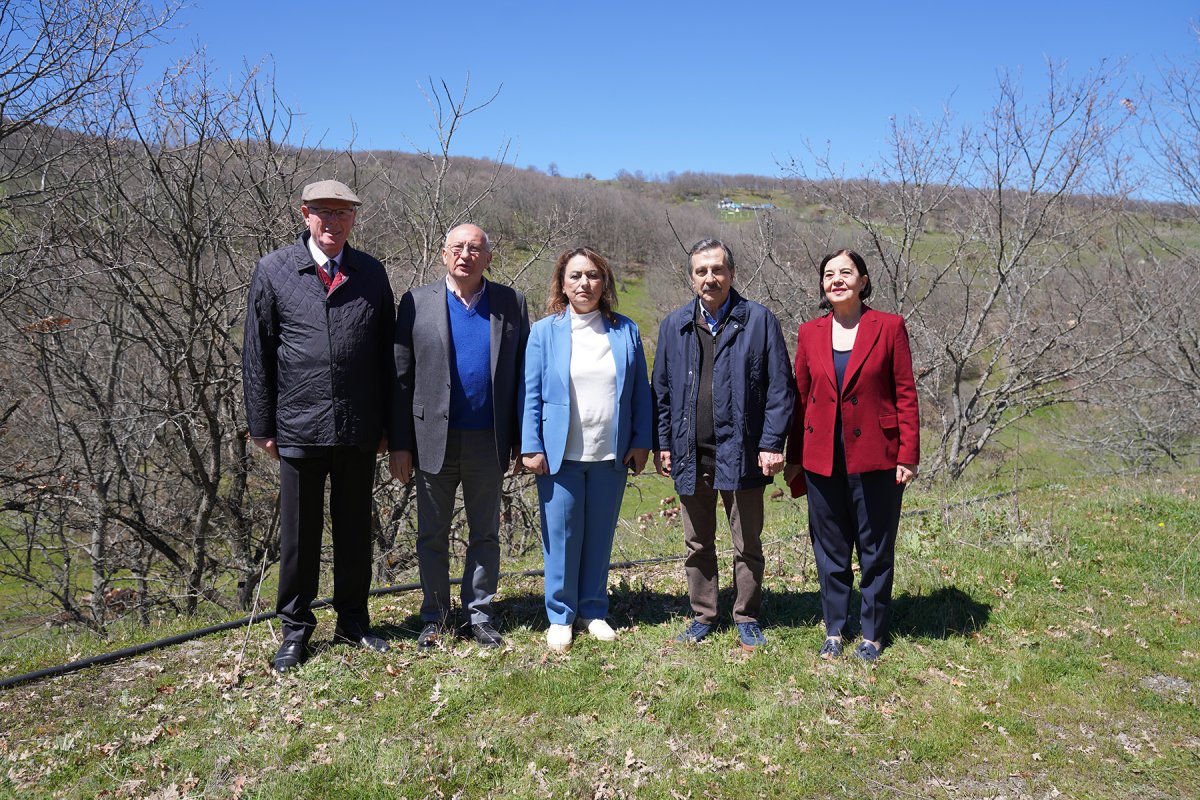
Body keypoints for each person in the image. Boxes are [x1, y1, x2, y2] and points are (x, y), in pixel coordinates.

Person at [243, 179, 395, 673]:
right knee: (300, 538)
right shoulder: (274, 270)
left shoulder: (371, 273)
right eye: (323, 213)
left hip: (357, 426)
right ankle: (295, 630)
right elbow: (257, 354)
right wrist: (261, 425)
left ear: (354, 218)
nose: (333, 223)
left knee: (354, 532)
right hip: (298, 425)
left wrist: (389, 426)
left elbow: (388, 357)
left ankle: (354, 622)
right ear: (304, 214)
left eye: (343, 214)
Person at [390, 224, 529, 648]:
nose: (466, 254)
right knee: (431, 533)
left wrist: (525, 439)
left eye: (475, 248)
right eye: (458, 248)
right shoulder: (416, 302)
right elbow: (399, 376)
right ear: (444, 255)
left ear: (488, 257)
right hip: (432, 438)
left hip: (488, 440)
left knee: (484, 532)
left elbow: (525, 376)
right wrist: (399, 444)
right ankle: (435, 616)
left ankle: (480, 615)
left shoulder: (511, 302)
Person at [652, 239, 794, 652]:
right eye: (701, 271)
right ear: (691, 277)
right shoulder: (674, 324)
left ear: (732, 273)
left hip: (744, 449)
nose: (710, 278)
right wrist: (663, 442)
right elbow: (661, 391)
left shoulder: (759, 321)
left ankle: (746, 615)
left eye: (717, 270)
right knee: (697, 542)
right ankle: (704, 614)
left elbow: (779, 389)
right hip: (689, 452)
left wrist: (771, 442)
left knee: (746, 541)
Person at [784, 249, 919, 663]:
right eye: (829, 274)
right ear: (823, 286)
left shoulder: (890, 327)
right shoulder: (809, 333)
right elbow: (800, 399)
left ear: (863, 280)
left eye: (846, 272)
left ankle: (874, 633)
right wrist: (794, 456)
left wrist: (908, 454)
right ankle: (835, 629)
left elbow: (905, 393)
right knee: (830, 549)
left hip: (877, 456)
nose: (837, 279)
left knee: (875, 548)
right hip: (821, 457)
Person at [521, 247, 653, 652]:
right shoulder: (546, 332)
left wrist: (641, 441)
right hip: (560, 453)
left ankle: (594, 610)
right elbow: (531, 394)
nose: (584, 283)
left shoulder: (624, 329)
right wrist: (531, 444)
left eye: (593, 275)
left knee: (598, 535)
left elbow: (639, 393)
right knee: (560, 535)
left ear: (604, 281)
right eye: (576, 276)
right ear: (562, 282)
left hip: (610, 453)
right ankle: (560, 615)